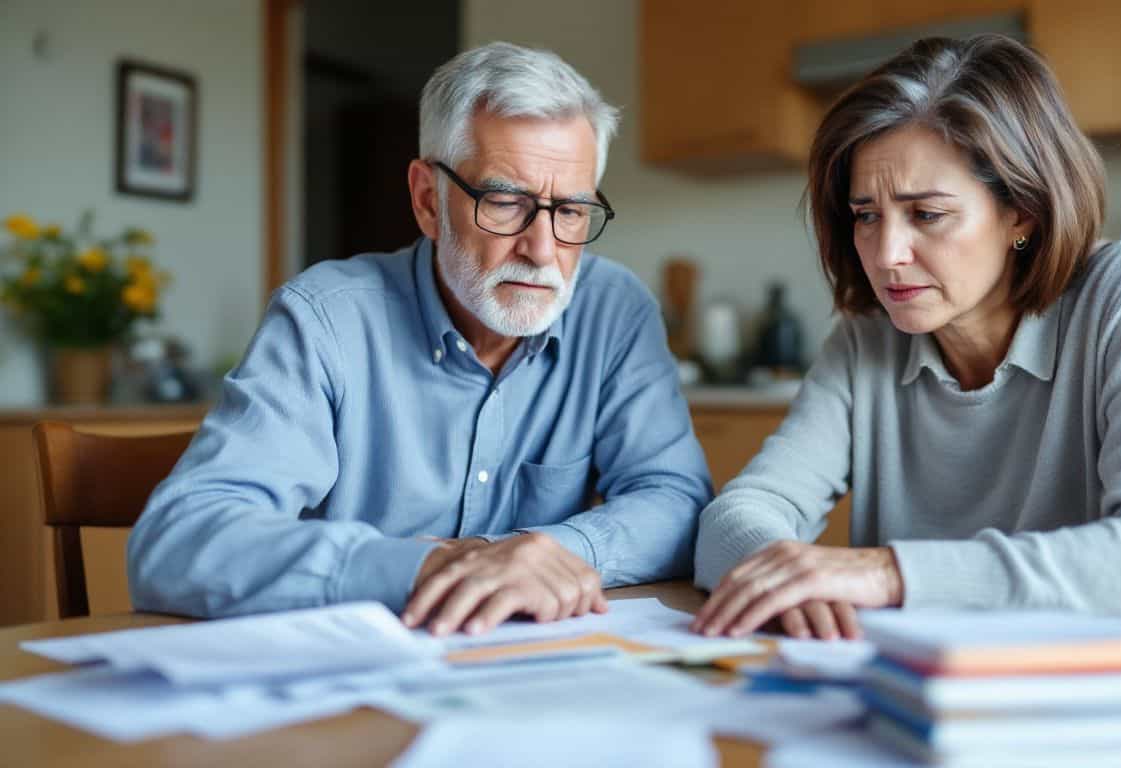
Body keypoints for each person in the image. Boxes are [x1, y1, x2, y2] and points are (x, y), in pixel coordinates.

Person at [128, 42, 712, 636]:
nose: (542, 250)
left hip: (524, 679)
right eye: (506, 203)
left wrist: (540, 553)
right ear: (429, 201)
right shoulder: (325, 320)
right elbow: (178, 544)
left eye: (571, 212)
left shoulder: (614, 311)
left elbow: (678, 504)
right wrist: (427, 567)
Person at [691, 34, 1121, 640]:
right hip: (936, 692)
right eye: (866, 215)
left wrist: (891, 574)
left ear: (1021, 212)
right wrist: (780, 573)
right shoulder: (867, 336)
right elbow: (731, 522)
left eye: (927, 215)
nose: (887, 255)